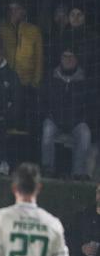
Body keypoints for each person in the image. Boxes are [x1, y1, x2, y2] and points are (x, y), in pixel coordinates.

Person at [41, 48, 93, 180]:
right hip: (55, 120)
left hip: (76, 122)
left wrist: (82, 119)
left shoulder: (84, 79)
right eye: (65, 56)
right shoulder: (52, 77)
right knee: (47, 130)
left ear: (77, 59)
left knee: (85, 132)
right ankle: (48, 169)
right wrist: (51, 115)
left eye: (71, 56)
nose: (68, 59)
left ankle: (78, 173)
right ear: (60, 58)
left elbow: (90, 105)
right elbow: (44, 100)